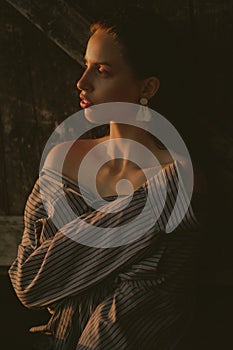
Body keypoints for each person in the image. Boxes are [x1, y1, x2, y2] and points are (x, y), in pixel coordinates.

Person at [9, 6, 205, 350]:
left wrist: (69, 262)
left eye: (102, 70)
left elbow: (141, 307)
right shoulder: (63, 156)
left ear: (147, 86)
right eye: (85, 65)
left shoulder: (178, 179)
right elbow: (28, 282)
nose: (82, 82)